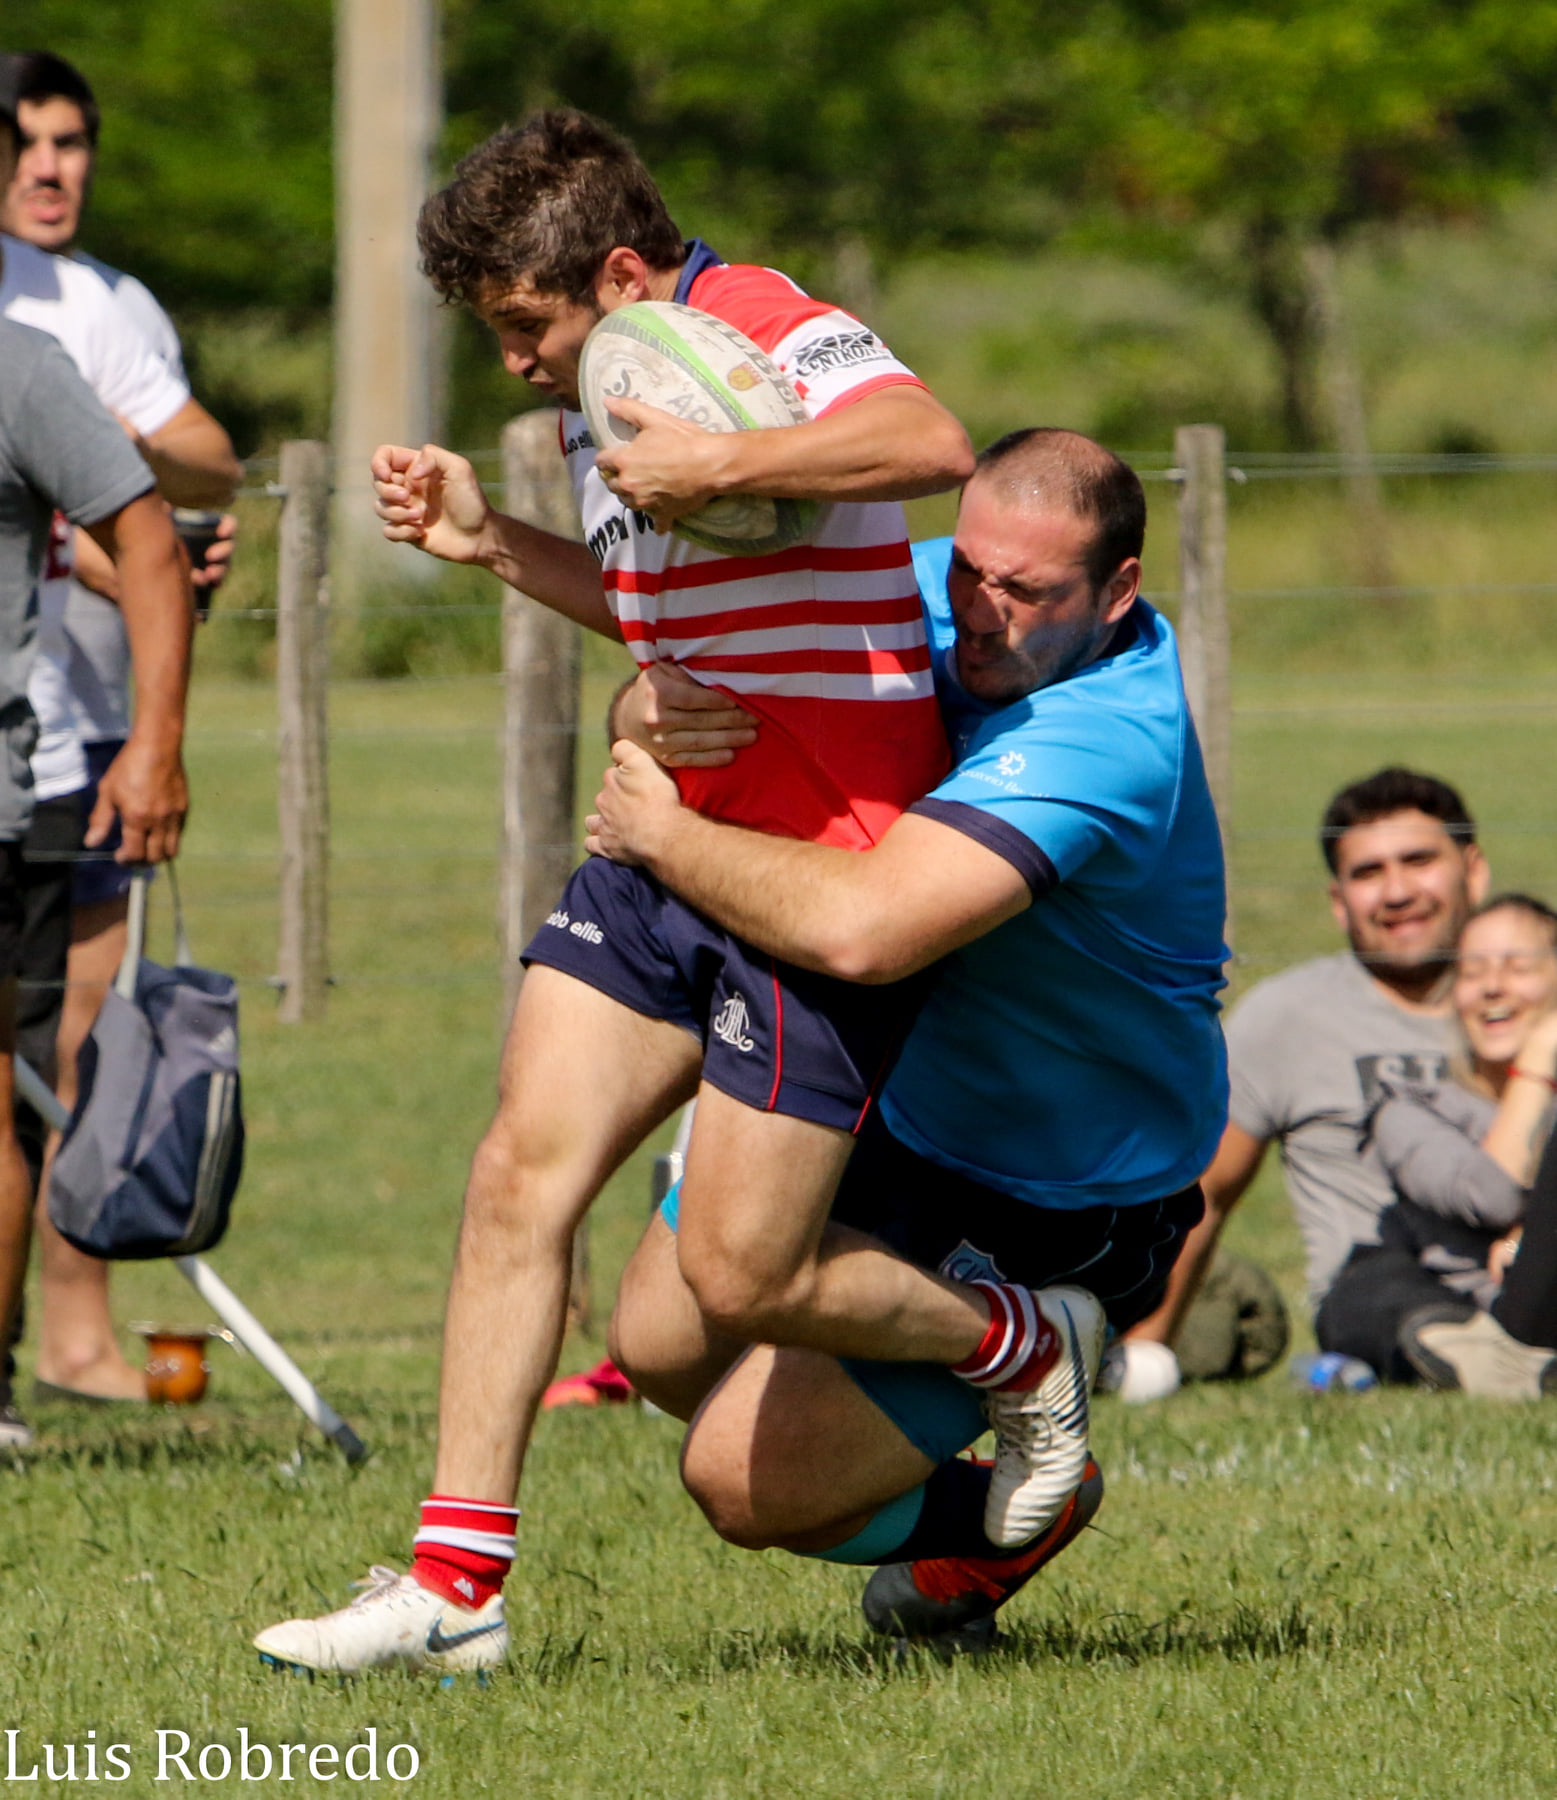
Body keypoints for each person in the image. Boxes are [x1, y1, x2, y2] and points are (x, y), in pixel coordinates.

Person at [256, 108, 1132, 1678]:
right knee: (519, 1169)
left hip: (817, 870)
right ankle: (456, 1587)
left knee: (738, 1274)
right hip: (658, 845)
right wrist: (494, 544)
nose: (518, 366)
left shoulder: (755, 324)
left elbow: (930, 442)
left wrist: (720, 454)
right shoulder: (621, 388)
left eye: (526, 325)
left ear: (613, 269)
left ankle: (1018, 1343)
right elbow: (673, 599)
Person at [582, 427, 1228, 1649]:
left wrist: (660, 836)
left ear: (1118, 592)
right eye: (970, 570)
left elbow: (867, 933)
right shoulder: (930, 588)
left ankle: (1023, 1475)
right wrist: (646, 708)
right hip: (901, 1106)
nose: (978, 613)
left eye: (1027, 592)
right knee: (660, 1341)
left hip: (1062, 1187)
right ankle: (1006, 1482)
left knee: (739, 1486)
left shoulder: (1107, 737)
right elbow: (695, 677)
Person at [0, 49, 241, 1405]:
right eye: (28, 142)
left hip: (77, 728)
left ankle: (75, 1336)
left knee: (67, 1049)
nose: (51, 168)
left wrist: (104, 469)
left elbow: (202, 454)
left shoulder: (94, 306)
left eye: (72, 142)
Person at [1126, 766, 1488, 1381]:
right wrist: (1142, 1354)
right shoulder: (1291, 1016)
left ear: (1472, 870)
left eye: (1419, 860)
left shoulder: (1530, 999)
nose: (1397, 892)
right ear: (1338, 902)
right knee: (1385, 1302)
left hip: (1525, 1276)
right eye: (1367, 873)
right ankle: (1467, 1355)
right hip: (1379, 1297)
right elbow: (1202, 1193)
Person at [1364, 894, 1557, 1394]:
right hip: (1497, 1326)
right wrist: (1539, 1058)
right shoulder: (1408, 1109)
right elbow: (1491, 1195)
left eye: (1517, 968)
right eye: (1471, 973)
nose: (1492, 987)